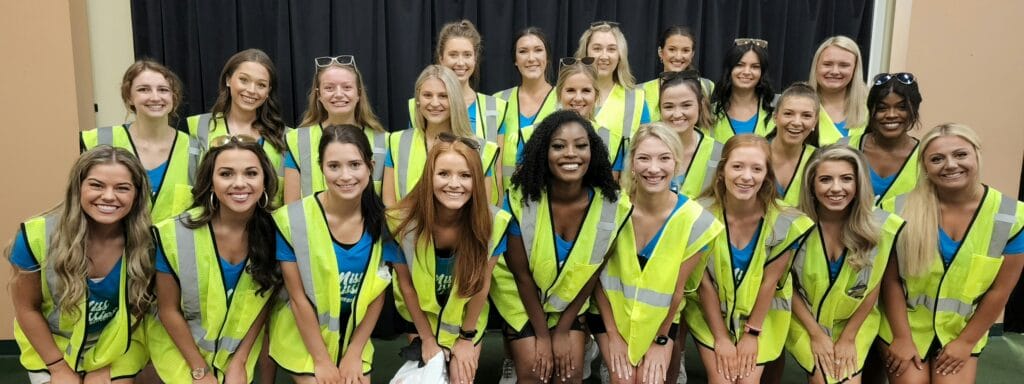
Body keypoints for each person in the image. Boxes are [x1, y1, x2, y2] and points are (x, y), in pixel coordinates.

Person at [490, 110, 631, 384]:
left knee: (568, 375)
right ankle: (519, 352)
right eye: (558, 146)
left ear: (593, 152)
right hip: (521, 297)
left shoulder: (612, 207)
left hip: (568, 302)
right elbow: (521, 277)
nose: (571, 153)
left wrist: (563, 330)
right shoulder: (520, 200)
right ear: (543, 152)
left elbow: (593, 273)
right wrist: (543, 337)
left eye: (581, 145)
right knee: (534, 371)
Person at [877, 123, 1024, 383]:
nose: (950, 165)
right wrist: (901, 338)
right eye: (937, 159)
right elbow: (889, 280)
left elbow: (999, 291)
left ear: (977, 154)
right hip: (906, 326)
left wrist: (966, 343)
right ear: (924, 167)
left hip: (961, 330)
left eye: (960, 154)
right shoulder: (896, 209)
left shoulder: (1011, 216)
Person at [591, 123, 723, 384]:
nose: (653, 168)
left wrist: (661, 340)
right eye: (643, 158)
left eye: (664, 158)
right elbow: (595, 277)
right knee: (624, 381)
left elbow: (677, 292)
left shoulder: (696, 220)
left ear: (677, 163)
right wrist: (613, 337)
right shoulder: (610, 209)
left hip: (660, 322)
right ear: (631, 163)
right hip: (611, 318)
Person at [9, 146, 153, 384]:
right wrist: (58, 368)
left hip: (116, 345)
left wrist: (102, 364)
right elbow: (27, 309)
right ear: (78, 188)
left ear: (136, 195)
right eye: (97, 185)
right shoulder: (35, 236)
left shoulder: (147, 242)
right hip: (52, 345)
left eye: (122, 188)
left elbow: (140, 311)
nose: (108, 196)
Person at [147, 134, 282, 383]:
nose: (239, 183)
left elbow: (263, 304)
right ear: (210, 181)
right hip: (178, 354)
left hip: (234, 355)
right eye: (226, 174)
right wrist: (200, 371)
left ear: (265, 180)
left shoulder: (277, 234)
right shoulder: (174, 234)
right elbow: (168, 311)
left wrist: (240, 361)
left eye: (251, 173)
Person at [681, 134, 813, 384]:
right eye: (737, 166)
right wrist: (721, 338)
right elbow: (704, 283)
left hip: (761, 318)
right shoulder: (698, 215)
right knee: (722, 379)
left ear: (767, 175)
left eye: (756, 168)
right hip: (713, 316)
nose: (746, 176)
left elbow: (770, 282)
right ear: (721, 171)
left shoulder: (784, 221)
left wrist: (751, 334)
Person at [270, 125, 394, 383]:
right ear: (321, 167)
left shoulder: (383, 222)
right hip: (304, 338)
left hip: (351, 335)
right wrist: (322, 361)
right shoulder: (292, 221)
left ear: (370, 166)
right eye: (334, 166)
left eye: (354, 165)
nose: (345, 176)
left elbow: (376, 295)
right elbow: (297, 299)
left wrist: (354, 352)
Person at [386, 133, 511, 384]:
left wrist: (466, 338)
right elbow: (406, 286)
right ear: (429, 177)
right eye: (444, 174)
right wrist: (428, 340)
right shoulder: (399, 222)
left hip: (464, 320)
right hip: (421, 319)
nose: (454, 183)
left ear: (476, 180)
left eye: (465, 176)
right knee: (430, 377)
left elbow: (482, 285)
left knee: (460, 380)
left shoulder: (495, 223)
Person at [785, 144, 905, 383]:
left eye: (846, 179)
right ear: (811, 185)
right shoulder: (792, 225)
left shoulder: (882, 227)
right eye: (826, 179)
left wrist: (848, 338)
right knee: (823, 376)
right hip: (805, 320)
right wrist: (816, 335)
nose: (836, 188)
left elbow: (874, 287)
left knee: (846, 378)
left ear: (859, 184)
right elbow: (785, 288)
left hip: (855, 321)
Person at [80, 60, 200, 222]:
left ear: (174, 97)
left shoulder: (195, 149)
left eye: (163, 90)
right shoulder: (96, 140)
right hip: (115, 245)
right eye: (144, 89)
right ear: (129, 97)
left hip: (172, 247)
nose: (155, 97)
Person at [384, 65, 499, 207]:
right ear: (418, 99)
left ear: (455, 100)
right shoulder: (397, 141)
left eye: (443, 96)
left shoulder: (481, 149)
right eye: (427, 95)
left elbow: (483, 208)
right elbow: (390, 204)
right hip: (408, 229)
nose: (434, 103)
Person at [187, 48, 288, 206]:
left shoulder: (286, 136)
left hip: (270, 226)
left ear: (268, 91)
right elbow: (190, 189)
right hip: (213, 225)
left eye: (261, 85)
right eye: (244, 80)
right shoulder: (199, 127)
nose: (251, 90)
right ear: (228, 80)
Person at [284, 55, 388, 202]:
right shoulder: (297, 140)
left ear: (359, 93)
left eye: (347, 87)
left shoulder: (385, 141)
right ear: (318, 94)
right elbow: (291, 209)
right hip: (314, 225)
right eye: (329, 88)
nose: (338, 94)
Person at [840, 72, 922, 203]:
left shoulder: (925, 156)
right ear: (871, 111)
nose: (891, 115)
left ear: (914, 110)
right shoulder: (844, 147)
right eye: (882, 108)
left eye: (902, 107)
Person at [495, 27, 559, 193]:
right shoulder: (497, 101)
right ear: (515, 60)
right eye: (523, 51)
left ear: (547, 57)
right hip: (505, 205)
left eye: (538, 50)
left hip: (550, 204)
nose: (531, 58)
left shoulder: (564, 100)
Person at [574, 21, 651, 152]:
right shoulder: (565, 94)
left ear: (620, 56)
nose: (604, 56)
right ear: (585, 54)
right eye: (597, 49)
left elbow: (646, 150)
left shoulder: (636, 100)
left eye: (611, 49)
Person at [658, 70, 723, 199]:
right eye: (669, 107)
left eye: (686, 105)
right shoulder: (645, 149)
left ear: (700, 105)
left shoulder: (719, 153)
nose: (677, 114)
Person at [708, 39, 776, 143]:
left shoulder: (777, 109)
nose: (747, 72)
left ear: (762, 72)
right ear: (729, 69)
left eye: (755, 67)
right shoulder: (710, 113)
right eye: (739, 65)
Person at [642, 26, 715, 121]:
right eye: (672, 49)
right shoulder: (641, 91)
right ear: (660, 52)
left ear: (692, 54)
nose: (678, 56)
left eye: (685, 50)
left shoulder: (707, 86)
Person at [808, 36, 868, 146]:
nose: (835, 71)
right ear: (816, 66)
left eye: (844, 65)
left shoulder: (870, 105)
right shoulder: (799, 101)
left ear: (855, 69)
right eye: (827, 64)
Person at [768, 83, 819, 206]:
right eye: (788, 113)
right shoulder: (752, 154)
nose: (796, 122)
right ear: (775, 117)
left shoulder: (819, 161)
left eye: (806, 116)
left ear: (814, 122)